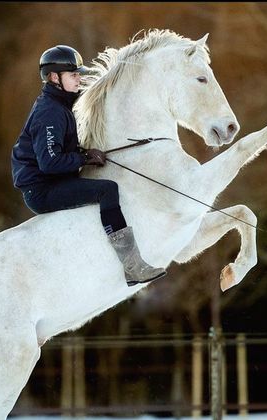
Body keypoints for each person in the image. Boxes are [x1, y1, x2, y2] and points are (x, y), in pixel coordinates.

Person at [11, 45, 166, 286]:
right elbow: (50, 162)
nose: (79, 79)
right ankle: (132, 266)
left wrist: (85, 153)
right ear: (54, 77)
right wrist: (84, 159)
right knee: (107, 189)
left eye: (78, 74)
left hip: (53, 180)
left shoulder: (59, 104)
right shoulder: (49, 113)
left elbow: (60, 150)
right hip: (42, 189)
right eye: (73, 75)